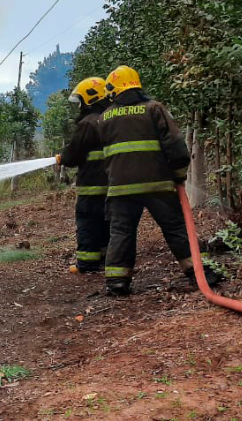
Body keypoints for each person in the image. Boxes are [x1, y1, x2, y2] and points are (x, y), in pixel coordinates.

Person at [97, 65, 222, 295]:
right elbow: (175, 146)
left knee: (121, 232)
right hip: (158, 184)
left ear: (113, 90)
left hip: (120, 188)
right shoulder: (154, 108)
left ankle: (117, 282)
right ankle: (202, 273)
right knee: (175, 227)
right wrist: (178, 174)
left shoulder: (104, 118)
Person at [55, 77, 110, 274]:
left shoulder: (88, 123)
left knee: (87, 222)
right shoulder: (111, 118)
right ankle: (104, 258)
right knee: (106, 223)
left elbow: (74, 154)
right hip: (112, 185)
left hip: (92, 185)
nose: (79, 106)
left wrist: (63, 158)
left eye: (80, 101)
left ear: (90, 99)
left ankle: (86, 263)